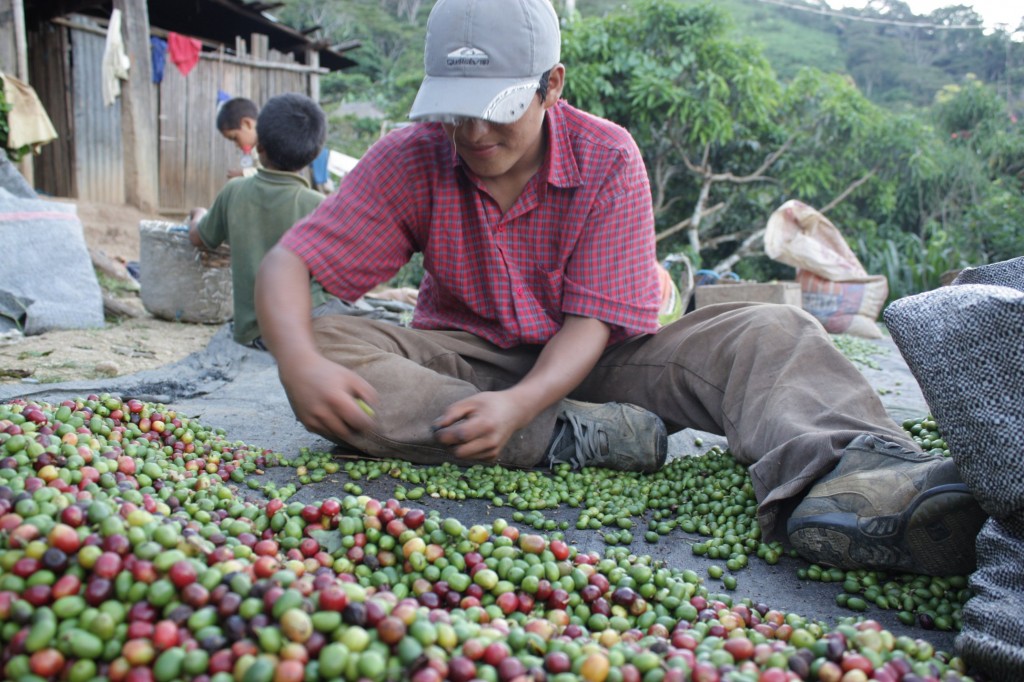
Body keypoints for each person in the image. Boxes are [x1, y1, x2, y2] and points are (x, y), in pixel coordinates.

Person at [255, 0, 985, 575]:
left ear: (552, 85)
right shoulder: (411, 157)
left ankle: (855, 479)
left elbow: (590, 326)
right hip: (468, 357)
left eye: (499, 107)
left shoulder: (606, 156)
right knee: (321, 346)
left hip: (613, 360)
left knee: (777, 331)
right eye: (457, 109)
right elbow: (289, 265)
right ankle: (578, 439)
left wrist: (522, 402)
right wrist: (302, 363)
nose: (474, 132)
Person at [190, 93, 333, 349]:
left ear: (260, 145)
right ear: (314, 154)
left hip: (251, 336)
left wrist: (197, 214)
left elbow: (199, 237)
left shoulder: (234, 191)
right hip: (301, 336)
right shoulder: (319, 206)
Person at [217, 97, 261, 179]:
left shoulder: (272, 143)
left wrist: (244, 173)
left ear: (247, 124)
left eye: (235, 138)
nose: (236, 145)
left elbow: (272, 174)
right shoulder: (255, 149)